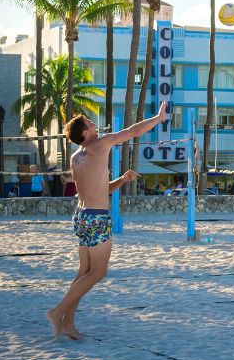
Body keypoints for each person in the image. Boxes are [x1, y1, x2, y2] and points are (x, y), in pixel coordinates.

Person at [45, 103, 164, 341]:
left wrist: (122, 179)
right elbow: (133, 132)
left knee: (84, 272)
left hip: (82, 215)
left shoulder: (76, 157)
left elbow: (99, 189)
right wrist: (158, 118)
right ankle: (57, 312)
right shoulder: (99, 144)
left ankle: (68, 322)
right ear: (84, 133)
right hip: (96, 218)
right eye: (89, 122)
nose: (93, 123)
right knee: (98, 272)